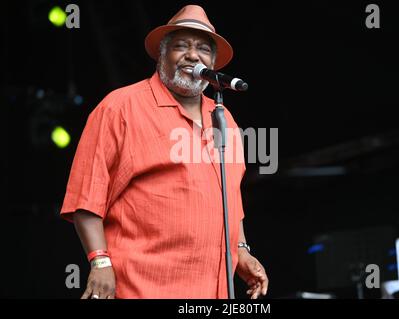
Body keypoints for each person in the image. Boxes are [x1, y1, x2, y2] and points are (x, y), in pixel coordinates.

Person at [60, 5, 268, 299]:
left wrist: (241, 250)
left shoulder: (224, 118)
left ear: (212, 63)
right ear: (162, 55)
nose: (193, 56)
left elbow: (230, 198)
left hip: (213, 290)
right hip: (142, 286)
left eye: (203, 50)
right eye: (181, 46)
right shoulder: (121, 107)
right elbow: (86, 196)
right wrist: (100, 260)